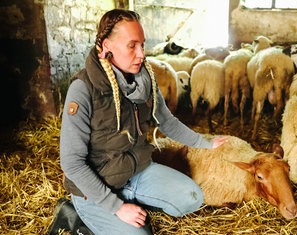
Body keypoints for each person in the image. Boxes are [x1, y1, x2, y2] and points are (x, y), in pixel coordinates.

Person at [55, 8, 227, 234]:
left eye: (142, 45)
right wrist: (117, 207)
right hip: (94, 187)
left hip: (135, 173)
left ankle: (130, 202)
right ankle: (80, 216)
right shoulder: (83, 89)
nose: (141, 54)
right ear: (107, 46)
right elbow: (72, 163)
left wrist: (205, 142)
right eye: (132, 45)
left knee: (192, 197)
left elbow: (167, 122)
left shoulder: (144, 81)